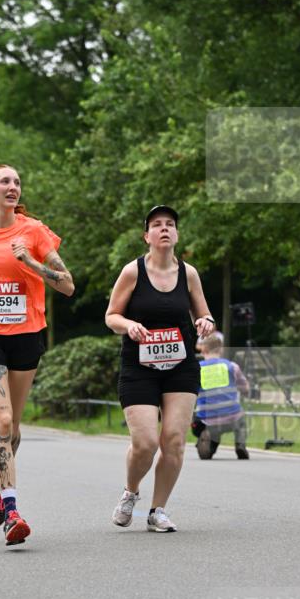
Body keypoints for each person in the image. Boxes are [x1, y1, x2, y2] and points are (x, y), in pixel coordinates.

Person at [0, 163, 74, 545]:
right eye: (4, 181)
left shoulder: (35, 232)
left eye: (17, 181)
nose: (13, 187)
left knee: (14, 427)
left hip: (26, 335)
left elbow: (68, 285)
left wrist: (32, 263)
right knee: (1, 421)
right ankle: (12, 512)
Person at [105, 205, 215, 532]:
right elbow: (111, 316)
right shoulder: (132, 272)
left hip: (180, 366)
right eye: (157, 225)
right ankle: (131, 491)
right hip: (139, 366)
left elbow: (205, 314)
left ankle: (158, 510)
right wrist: (129, 326)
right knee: (146, 442)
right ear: (147, 236)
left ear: (177, 234)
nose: (164, 229)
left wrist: (206, 322)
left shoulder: (189, 274)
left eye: (170, 224)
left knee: (175, 440)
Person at [192, 331, 249, 459]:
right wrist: (245, 392)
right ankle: (240, 444)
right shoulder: (231, 366)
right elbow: (244, 387)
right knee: (242, 422)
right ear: (221, 350)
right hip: (231, 416)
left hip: (206, 419)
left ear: (203, 350)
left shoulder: (197, 369)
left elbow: (191, 391)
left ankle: (208, 443)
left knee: (205, 427)